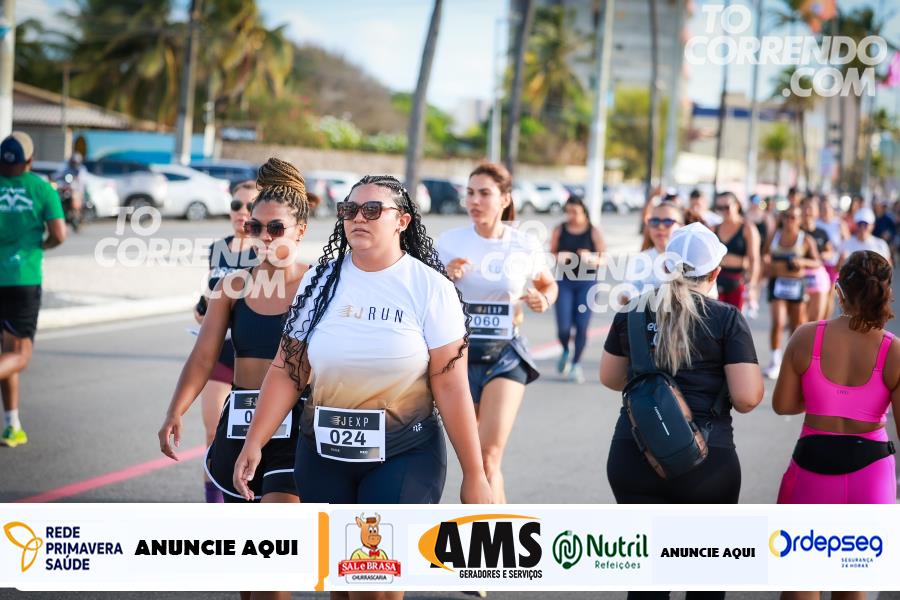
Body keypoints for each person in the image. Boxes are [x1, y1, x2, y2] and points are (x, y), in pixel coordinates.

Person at [233, 175, 492, 516]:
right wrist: (255, 441)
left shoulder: (430, 287)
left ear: (402, 221)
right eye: (349, 209)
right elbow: (288, 370)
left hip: (404, 453)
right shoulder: (319, 281)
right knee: (331, 551)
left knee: (380, 548)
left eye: (372, 210)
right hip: (321, 455)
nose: (358, 217)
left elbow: (451, 385)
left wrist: (475, 474)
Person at [160, 157, 310, 519]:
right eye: (256, 227)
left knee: (278, 526)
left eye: (276, 228)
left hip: (296, 423)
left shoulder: (318, 284)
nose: (264, 237)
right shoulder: (232, 287)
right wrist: (175, 410)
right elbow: (203, 356)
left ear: (300, 231)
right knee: (243, 533)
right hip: (240, 420)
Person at [600, 222, 764, 505]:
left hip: (634, 454)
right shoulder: (726, 318)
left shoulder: (633, 310)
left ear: (665, 267)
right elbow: (746, 399)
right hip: (705, 460)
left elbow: (611, 378)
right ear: (715, 273)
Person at [436, 162, 557, 503]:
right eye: (470, 193)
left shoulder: (523, 244)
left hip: (506, 353)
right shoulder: (450, 242)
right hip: (460, 356)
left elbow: (547, 285)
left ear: (505, 199)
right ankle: (495, 524)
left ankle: (492, 530)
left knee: (489, 456)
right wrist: (445, 274)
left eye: (484, 193)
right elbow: (426, 294)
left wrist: (543, 299)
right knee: (474, 462)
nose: (474, 201)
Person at [774, 250, 899, 507]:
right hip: (872, 474)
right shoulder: (893, 350)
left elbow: (783, 405)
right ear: (885, 293)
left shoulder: (806, 336)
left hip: (812, 464)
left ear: (839, 292)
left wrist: (823, 399)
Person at [193, 180, 259, 503]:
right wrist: (203, 308)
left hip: (253, 357)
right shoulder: (218, 247)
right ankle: (213, 507)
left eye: (249, 206)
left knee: (252, 438)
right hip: (221, 352)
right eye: (236, 205)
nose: (241, 212)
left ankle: (253, 499)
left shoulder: (266, 252)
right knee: (213, 433)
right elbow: (207, 299)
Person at [0, 132, 66, 447]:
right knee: (20, 356)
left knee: (7, 353)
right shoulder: (41, 188)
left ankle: (12, 425)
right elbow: (59, 234)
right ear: (30, 159)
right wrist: (43, 245)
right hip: (22, 277)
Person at [550, 197, 606, 382]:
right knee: (564, 327)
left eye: (575, 212)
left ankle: (575, 364)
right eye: (568, 212)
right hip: (564, 282)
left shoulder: (593, 231)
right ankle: (565, 349)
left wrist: (591, 258)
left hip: (586, 283)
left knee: (582, 326)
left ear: (584, 212)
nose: (571, 216)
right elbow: (551, 252)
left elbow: (604, 258)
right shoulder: (560, 229)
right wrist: (558, 256)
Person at [763, 205, 821, 379]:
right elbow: (764, 254)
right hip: (778, 283)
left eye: (793, 217)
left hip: (796, 284)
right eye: (786, 216)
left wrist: (802, 262)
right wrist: (767, 261)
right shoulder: (775, 235)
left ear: (800, 220)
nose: (789, 220)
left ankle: (791, 362)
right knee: (778, 322)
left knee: (796, 327)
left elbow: (817, 262)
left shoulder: (805, 239)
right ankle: (775, 361)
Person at [712, 192, 760, 311]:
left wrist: (752, 286)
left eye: (726, 207)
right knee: (715, 317)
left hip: (738, 280)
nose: (723, 211)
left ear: (737, 205)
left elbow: (754, 259)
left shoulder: (747, 228)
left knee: (734, 318)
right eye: (719, 207)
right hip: (716, 278)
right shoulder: (714, 228)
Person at [815, 195, 847, 319]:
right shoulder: (816, 223)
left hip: (834, 264)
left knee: (829, 295)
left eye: (827, 208)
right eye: (822, 208)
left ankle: (824, 321)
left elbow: (846, 243)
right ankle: (816, 320)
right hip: (819, 264)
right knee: (819, 294)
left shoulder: (838, 224)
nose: (825, 211)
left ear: (832, 209)